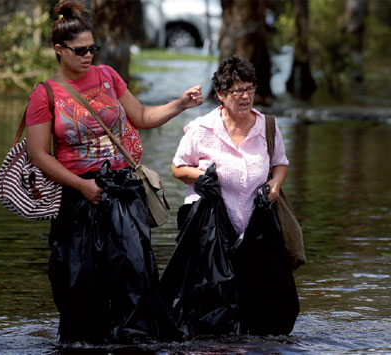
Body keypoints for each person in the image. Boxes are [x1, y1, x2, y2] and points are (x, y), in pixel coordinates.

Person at [25, 0, 203, 344]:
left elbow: (141, 117)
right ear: (59, 51)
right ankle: (85, 343)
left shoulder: (108, 76)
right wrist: (82, 186)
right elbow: (38, 155)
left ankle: (134, 342)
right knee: (79, 279)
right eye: (80, 50)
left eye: (93, 48)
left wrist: (179, 105)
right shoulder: (45, 94)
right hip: (78, 198)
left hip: (123, 191)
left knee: (134, 273)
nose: (88, 55)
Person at [164, 55, 298, 336]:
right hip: (211, 230)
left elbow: (280, 163)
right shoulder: (202, 128)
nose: (246, 96)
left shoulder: (267, 127)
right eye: (237, 91)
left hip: (254, 224)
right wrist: (201, 177)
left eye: (250, 88)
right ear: (221, 95)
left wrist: (274, 185)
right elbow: (177, 168)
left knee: (261, 302)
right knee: (211, 303)